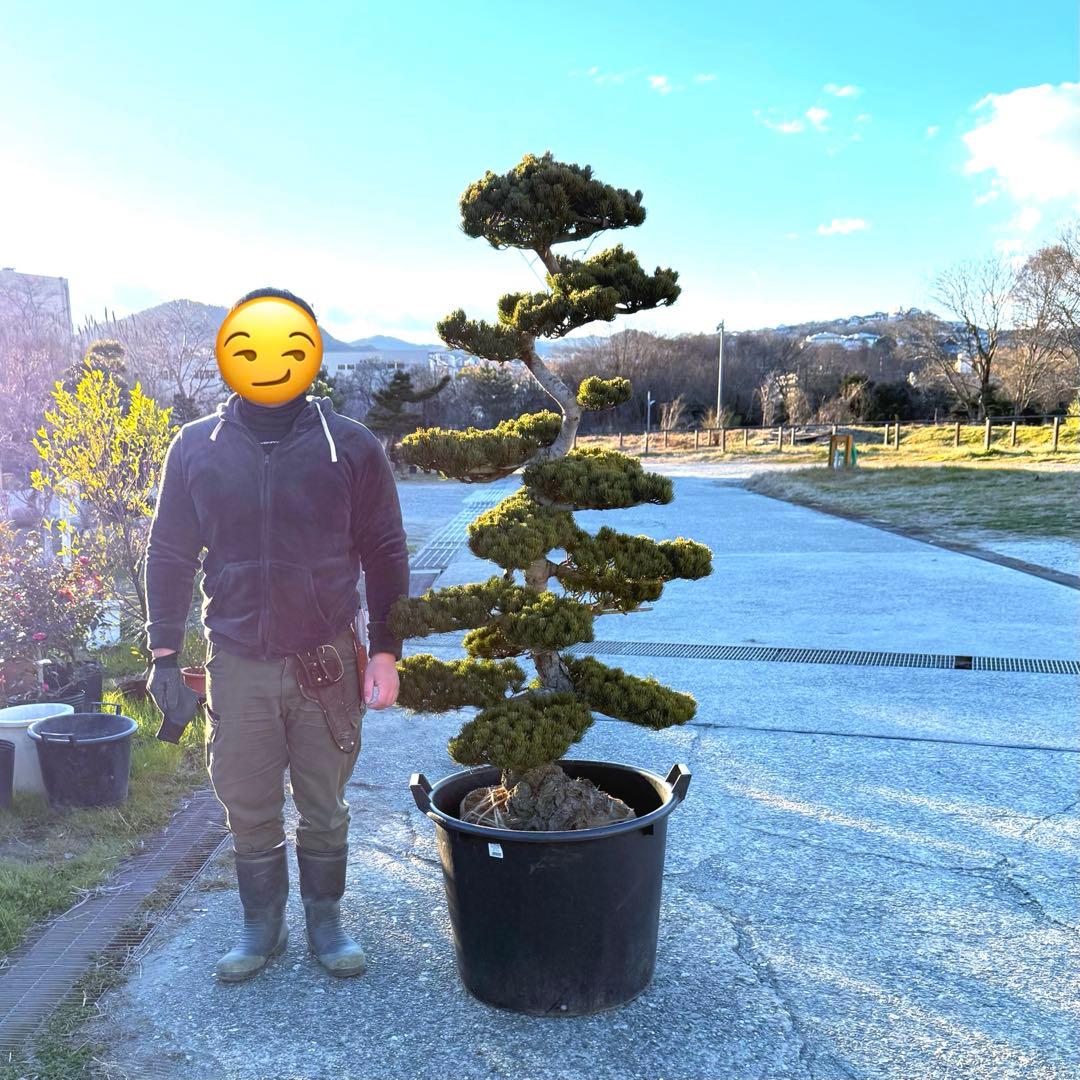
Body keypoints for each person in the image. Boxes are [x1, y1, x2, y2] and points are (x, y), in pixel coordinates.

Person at [143, 287, 409, 982]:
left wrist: (386, 651)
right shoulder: (195, 447)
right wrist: (163, 653)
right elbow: (168, 552)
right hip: (237, 661)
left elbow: (385, 552)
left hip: (326, 660)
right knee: (247, 800)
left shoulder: (351, 446)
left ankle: (326, 919)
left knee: (324, 802)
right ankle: (262, 924)